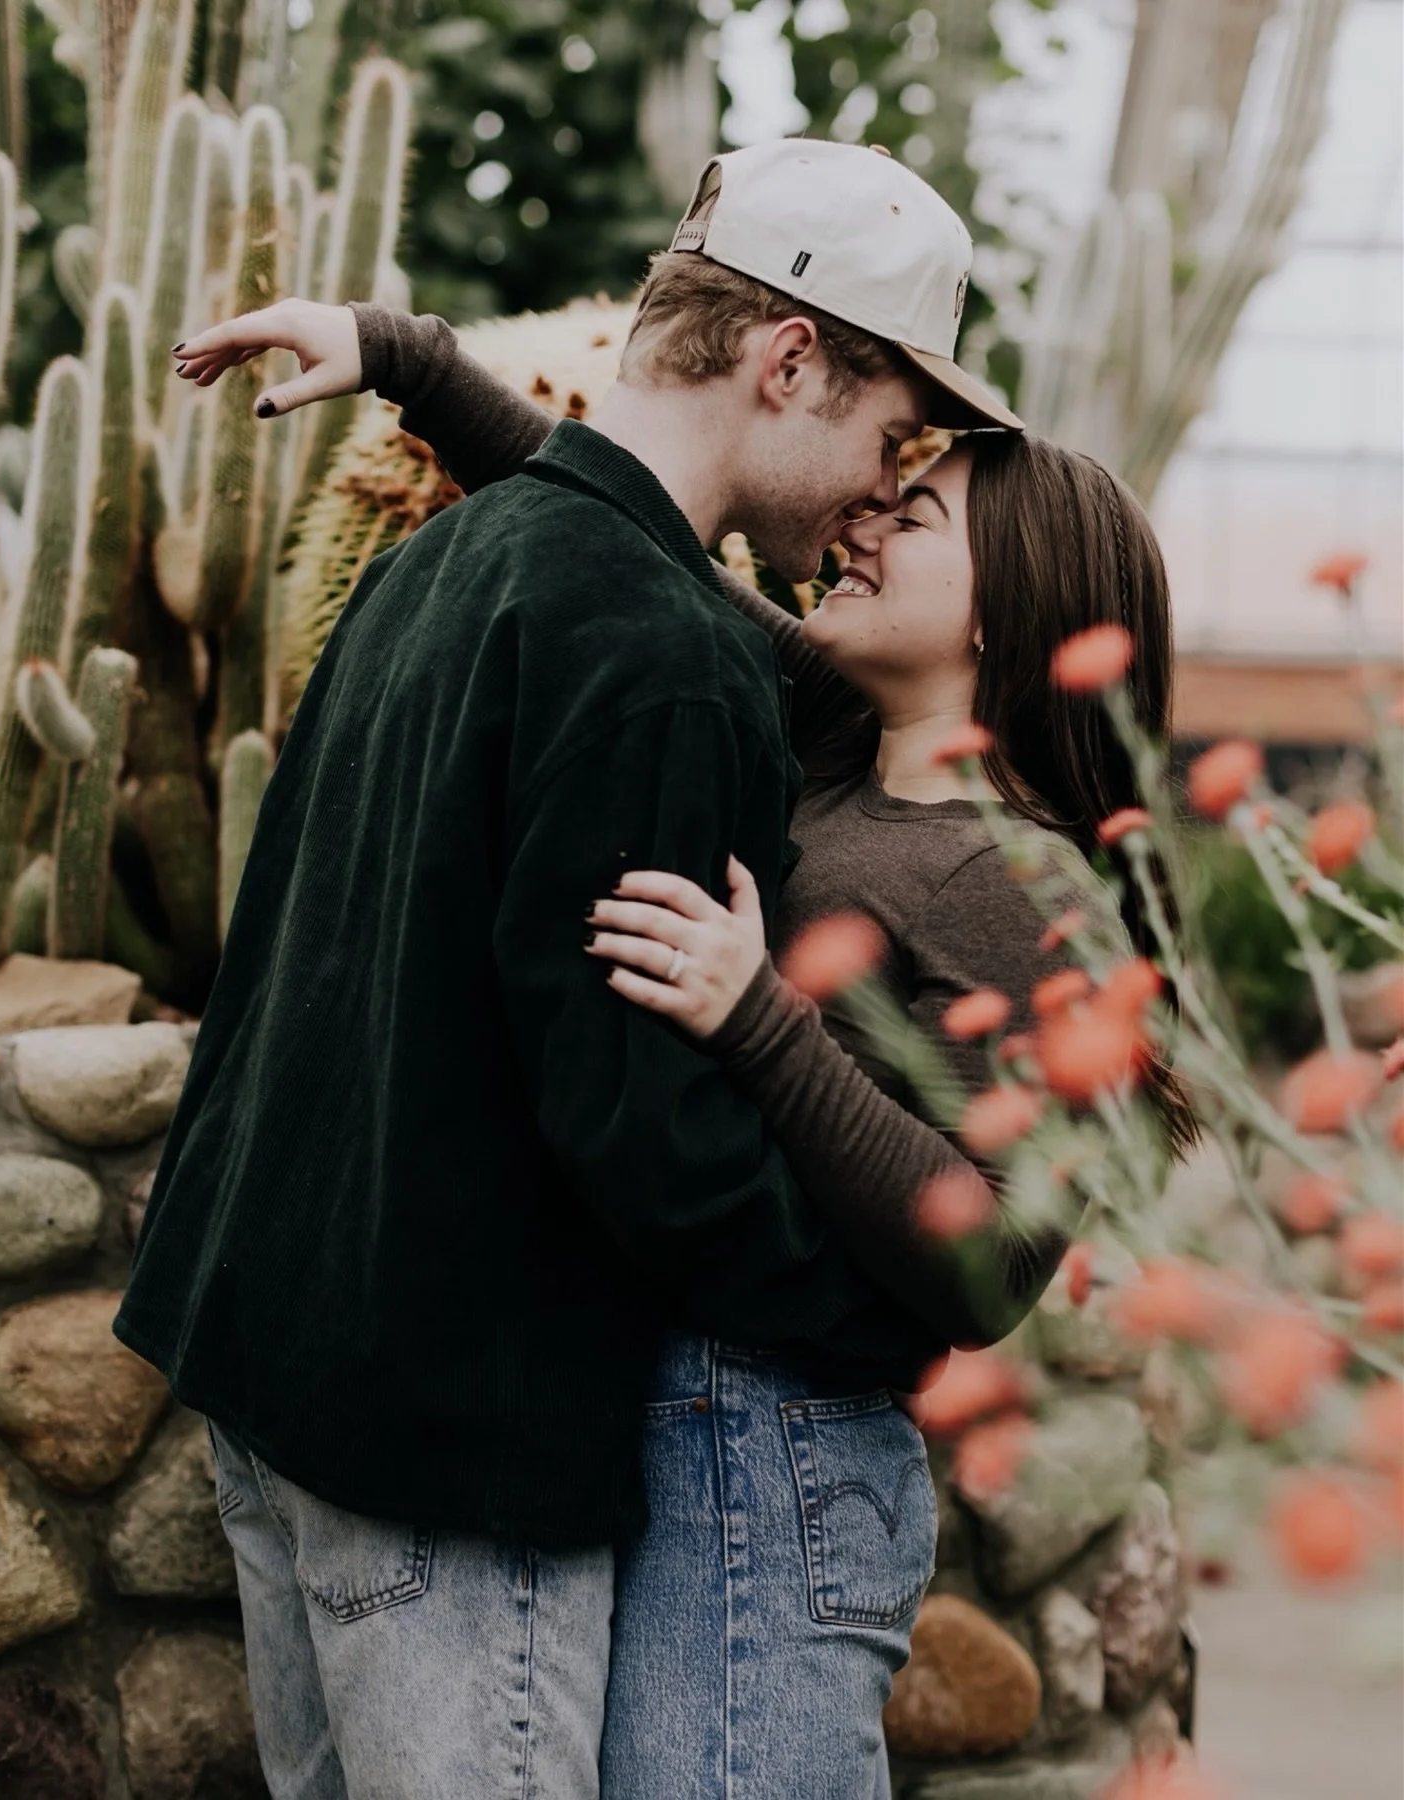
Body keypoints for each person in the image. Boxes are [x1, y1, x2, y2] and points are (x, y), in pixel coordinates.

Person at [118, 139, 1026, 1800]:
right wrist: (872, 1325)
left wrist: (404, 356)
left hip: (269, 1380)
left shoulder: (441, 569)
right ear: (791, 358)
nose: (874, 496)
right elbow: (643, 1132)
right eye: (891, 436)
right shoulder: (665, 656)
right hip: (450, 1456)